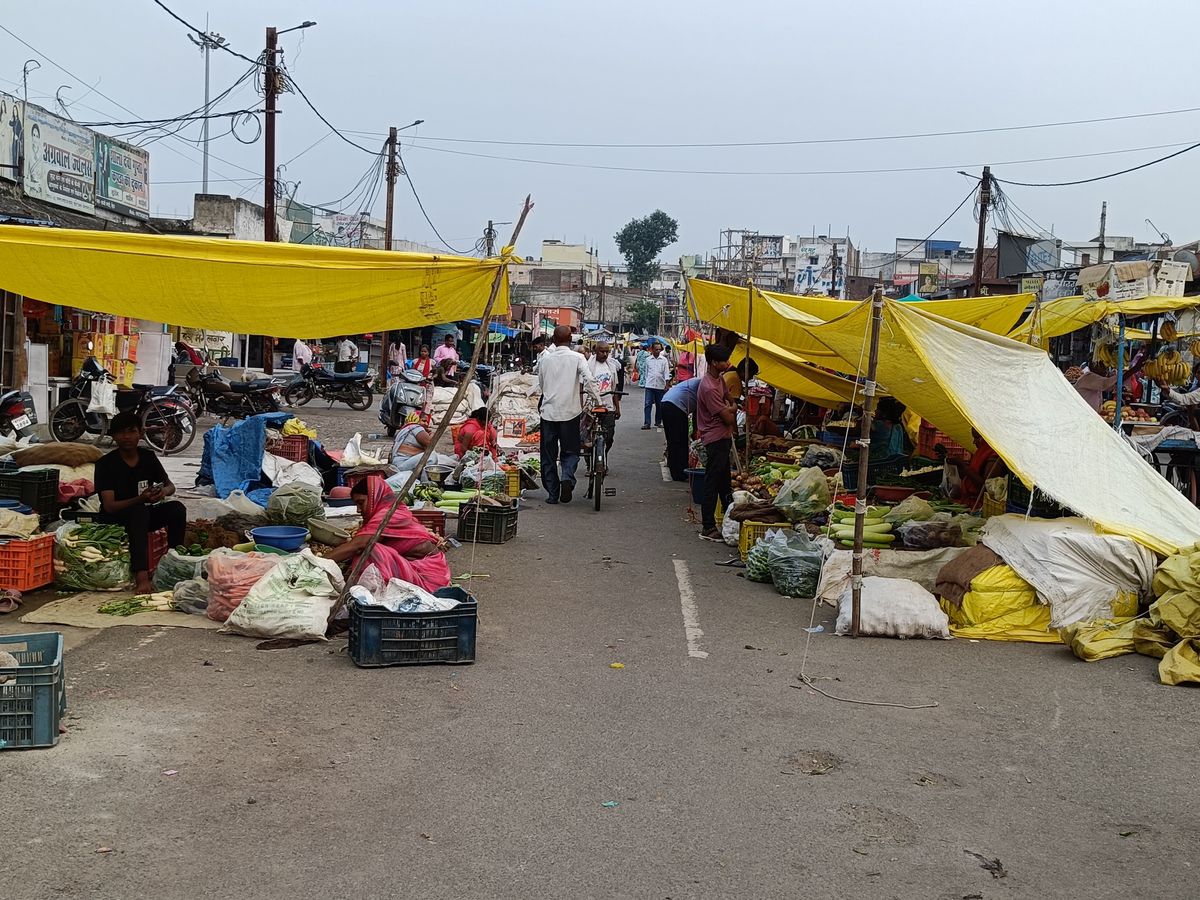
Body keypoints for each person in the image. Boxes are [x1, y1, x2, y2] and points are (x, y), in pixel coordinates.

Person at [93, 411, 187, 594]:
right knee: (139, 511)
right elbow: (110, 506)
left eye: (131, 431)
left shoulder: (148, 457)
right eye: (121, 432)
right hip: (115, 519)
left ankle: (174, 561)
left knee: (176, 509)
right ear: (114, 436)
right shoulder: (105, 464)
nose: (127, 437)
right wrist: (141, 499)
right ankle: (141, 577)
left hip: (143, 515)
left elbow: (170, 486)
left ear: (140, 434)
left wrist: (161, 493)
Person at [326, 476, 451, 594]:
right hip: (419, 569)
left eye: (361, 502)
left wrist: (321, 562)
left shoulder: (389, 514)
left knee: (371, 550)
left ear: (375, 497)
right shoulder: (391, 511)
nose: (358, 510)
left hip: (429, 578)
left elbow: (358, 545)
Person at [538, 324, 599, 504]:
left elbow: (541, 385)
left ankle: (552, 494)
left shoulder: (545, 360)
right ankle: (567, 477)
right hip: (570, 413)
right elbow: (589, 380)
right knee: (570, 451)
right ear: (571, 340)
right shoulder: (578, 357)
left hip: (548, 413)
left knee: (548, 455)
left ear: (553, 340)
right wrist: (599, 401)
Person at [697, 345, 736, 541]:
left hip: (723, 437)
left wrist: (730, 406)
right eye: (724, 361)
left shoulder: (718, 379)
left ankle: (729, 521)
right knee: (713, 482)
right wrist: (732, 408)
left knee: (724, 483)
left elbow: (729, 398)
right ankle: (708, 526)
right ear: (714, 363)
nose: (727, 363)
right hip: (716, 438)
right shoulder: (709, 387)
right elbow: (728, 417)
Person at [948, 430, 1007, 508]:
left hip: (980, 504)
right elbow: (971, 474)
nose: (974, 442)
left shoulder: (994, 455)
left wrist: (964, 467)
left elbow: (986, 487)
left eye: (976, 438)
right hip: (968, 501)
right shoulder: (981, 451)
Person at [585, 342, 622, 455]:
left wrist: (617, 408)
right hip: (591, 405)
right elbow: (582, 385)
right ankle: (589, 460)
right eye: (602, 351)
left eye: (607, 352)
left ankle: (602, 455)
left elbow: (614, 388)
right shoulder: (588, 366)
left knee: (609, 436)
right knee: (587, 437)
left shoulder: (611, 366)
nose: (605, 354)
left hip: (608, 406)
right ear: (595, 352)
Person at [661, 376, 700, 482]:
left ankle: (675, 469)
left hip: (667, 402)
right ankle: (680, 473)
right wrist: (696, 430)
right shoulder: (704, 385)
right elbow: (699, 412)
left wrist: (695, 430)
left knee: (673, 439)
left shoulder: (698, 382)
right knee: (680, 440)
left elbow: (696, 412)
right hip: (676, 406)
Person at [641, 341, 671, 429]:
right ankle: (647, 423)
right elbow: (646, 372)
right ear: (652, 350)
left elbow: (666, 372)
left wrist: (667, 384)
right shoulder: (648, 360)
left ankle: (658, 422)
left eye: (659, 349)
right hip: (649, 385)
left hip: (660, 385)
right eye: (656, 349)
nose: (658, 351)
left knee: (659, 405)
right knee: (647, 404)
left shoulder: (664, 360)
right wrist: (647, 382)